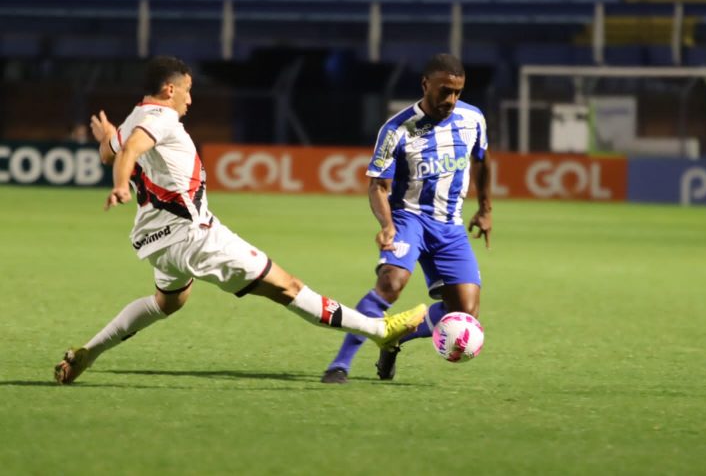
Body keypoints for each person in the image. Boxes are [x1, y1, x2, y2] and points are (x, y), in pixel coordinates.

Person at [54, 55, 427, 385]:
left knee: (168, 302)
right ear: (169, 89)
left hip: (157, 242)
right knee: (289, 288)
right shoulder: (162, 118)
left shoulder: (137, 115)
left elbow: (114, 150)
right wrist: (121, 185)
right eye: (187, 91)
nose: (190, 99)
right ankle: (381, 330)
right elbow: (132, 149)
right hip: (195, 237)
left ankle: (88, 351)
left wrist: (106, 139)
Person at [321, 53, 492, 384]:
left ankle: (395, 336)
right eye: (445, 91)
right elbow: (377, 187)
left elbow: (482, 160)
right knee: (390, 283)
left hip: (450, 225)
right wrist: (387, 225)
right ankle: (340, 364)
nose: (451, 100)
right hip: (409, 219)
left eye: (457, 92)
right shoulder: (396, 129)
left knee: (465, 312)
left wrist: (486, 210)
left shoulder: (473, 119)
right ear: (425, 85)